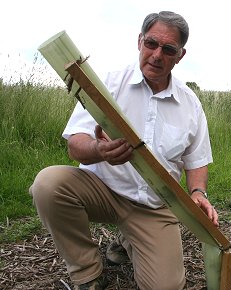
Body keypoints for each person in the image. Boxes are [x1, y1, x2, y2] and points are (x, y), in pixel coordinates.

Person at [29, 11, 218, 290]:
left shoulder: (190, 104)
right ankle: (88, 273)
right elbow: (75, 145)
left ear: (180, 55)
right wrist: (99, 150)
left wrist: (198, 193)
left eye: (168, 49)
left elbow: (196, 160)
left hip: (154, 206)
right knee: (48, 184)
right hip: (102, 190)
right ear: (139, 41)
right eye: (151, 43)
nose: (157, 55)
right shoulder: (105, 84)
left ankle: (128, 239)